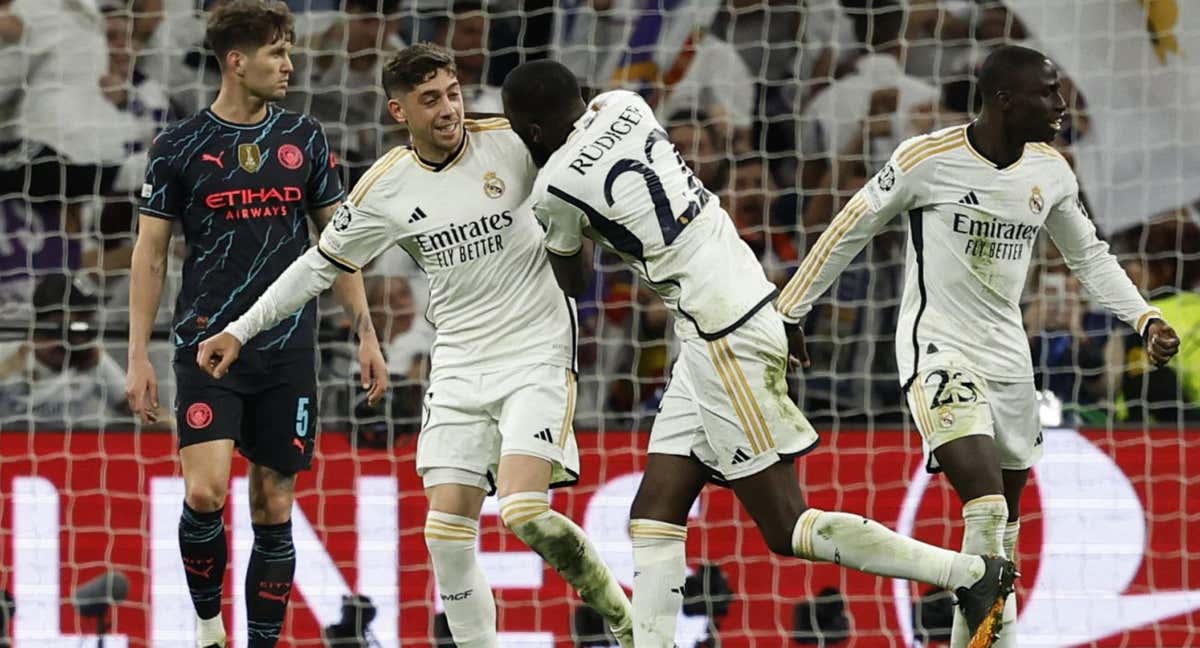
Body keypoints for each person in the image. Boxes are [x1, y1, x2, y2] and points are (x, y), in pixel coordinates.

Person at [501, 59, 1016, 648]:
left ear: (532, 134)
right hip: (738, 305)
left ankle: (971, 575)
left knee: (785, 525)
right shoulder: (626, 106)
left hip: (724, 337)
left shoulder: (554, 188)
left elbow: (573, 277)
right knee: (654, 511)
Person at [195, 43, 635, 648]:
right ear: (400, 112)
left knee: (523, 510)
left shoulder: (512, 141)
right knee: (444, 534)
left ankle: (622, 616)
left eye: (452, 93)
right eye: (431, 100)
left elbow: (593, 162)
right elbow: (318, 266)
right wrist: (240, 330)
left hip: (537, 353)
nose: (449, 109)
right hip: (457, 364)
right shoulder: (386, 188)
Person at [773, 45, 1182, 647]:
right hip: (938, 348)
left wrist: (1143, 317)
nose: (1061, 105)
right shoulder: (926, 158)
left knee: (1002, 537)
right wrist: (790, 310)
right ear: (1004, 100)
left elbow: (1089, 256)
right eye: (1048, 93)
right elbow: (850, 227)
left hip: (1009, 360)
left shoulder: (1052, 171)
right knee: (986, 507)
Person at [123, 2, 388, 647]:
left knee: (273, 505)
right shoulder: (178, 146)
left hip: (287, 349)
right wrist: (138, 356)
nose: (289, 64)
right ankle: (210, 627)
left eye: (289, 50)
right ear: (237, 62)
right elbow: (151, 253)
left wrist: (366, 330)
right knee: (207, 491)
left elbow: (337, 241)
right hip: (206, 345)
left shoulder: (305, 138)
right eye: (277, 53)